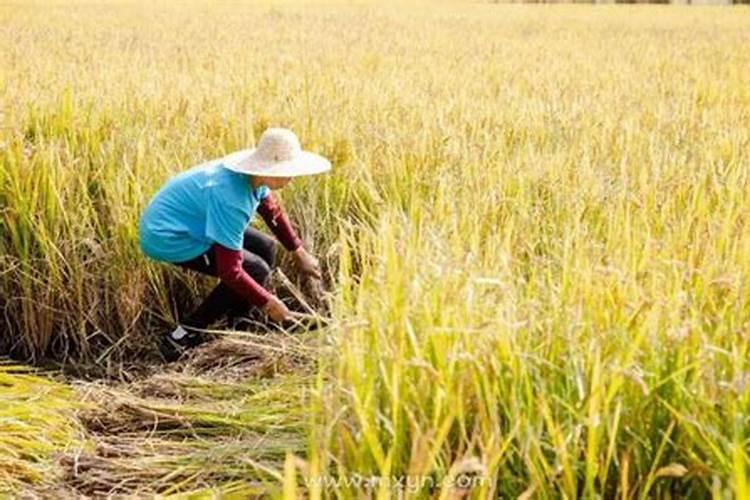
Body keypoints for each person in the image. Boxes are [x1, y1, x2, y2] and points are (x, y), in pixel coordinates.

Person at [138, 127, 331, 360]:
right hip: (169, 235)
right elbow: (230, 271)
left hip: (196, 220)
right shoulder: (231, 199)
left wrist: (298, 251)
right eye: (285, 172)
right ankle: (182, 335)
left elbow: (271, 211)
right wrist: (268, 302)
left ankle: (238, 325)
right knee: (255, 268)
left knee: (266, 248)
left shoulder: (254, 178)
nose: (290, 178)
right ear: (267, 168)